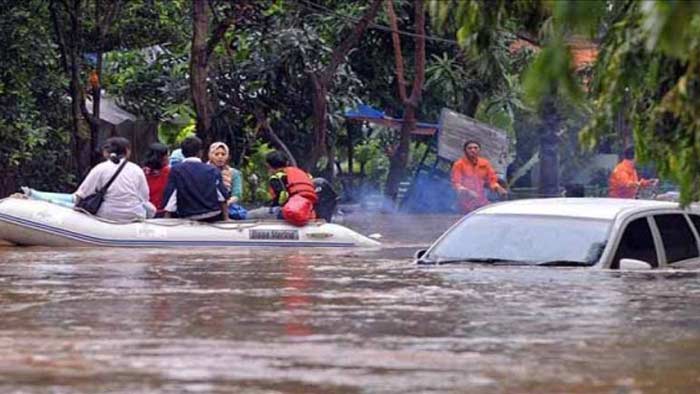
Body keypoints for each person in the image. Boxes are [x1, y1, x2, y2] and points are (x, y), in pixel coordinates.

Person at [22, 138, 155, 221]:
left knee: (74, 202)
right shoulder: (137, 169)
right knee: (151, 208)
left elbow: (81, 194)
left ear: (106, 153)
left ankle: (36, 195)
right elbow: (144, 197)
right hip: (133, 215)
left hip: (108, 214)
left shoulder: (101, 168)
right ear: (127, 151)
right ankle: (35, 194)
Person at [162, 136, 229, 222]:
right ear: (200, 152)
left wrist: (166, 220)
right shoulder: (212, 170)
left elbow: (171, 197)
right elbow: (222, 196)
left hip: (188, 215)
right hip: (212, 214)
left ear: (182, 152)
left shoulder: (177, 170)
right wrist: (226, 218)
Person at [247, 151, 318, 225]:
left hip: (288, 212)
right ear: (287, 163)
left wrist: (270, 206)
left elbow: (282, 197)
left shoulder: (276, 177)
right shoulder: (303, 174)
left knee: (250, 215)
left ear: (268, 165)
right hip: (309, 211)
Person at [450, 140, 507, 214]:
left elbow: (492, 180)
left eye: (475, 148)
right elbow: (456, 184)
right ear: (465, 150)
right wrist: (468, 191)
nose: (473, 150)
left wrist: (498, 188)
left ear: (479, 150)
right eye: (469, 148)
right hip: (464, 202)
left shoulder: (485, 163)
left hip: (481, 200)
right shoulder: (459, 164)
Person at [143, 142, 170, 217]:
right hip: (163, 212)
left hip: (146, 210)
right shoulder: (168, 172)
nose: (169, 157)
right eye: (167, 155)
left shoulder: (142, 172)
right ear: (163, 158)